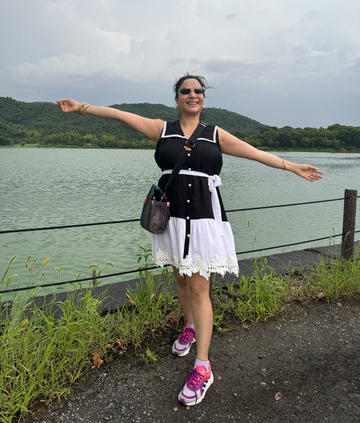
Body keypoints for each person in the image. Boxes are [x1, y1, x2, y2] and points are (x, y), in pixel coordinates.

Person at [57, 74, 323, 406]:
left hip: (203, 218)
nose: (193, 95)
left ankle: (203, 367)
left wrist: (291, 166)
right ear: (177, 97)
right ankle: (190, 325)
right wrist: (81, 108)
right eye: (186, 91)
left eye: (198, 91)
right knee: (180, 278)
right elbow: (120, 115)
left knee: (199, 286)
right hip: (171, 218)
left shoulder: (215, 135)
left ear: (203, 98)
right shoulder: (161, 129)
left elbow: (255, 153)